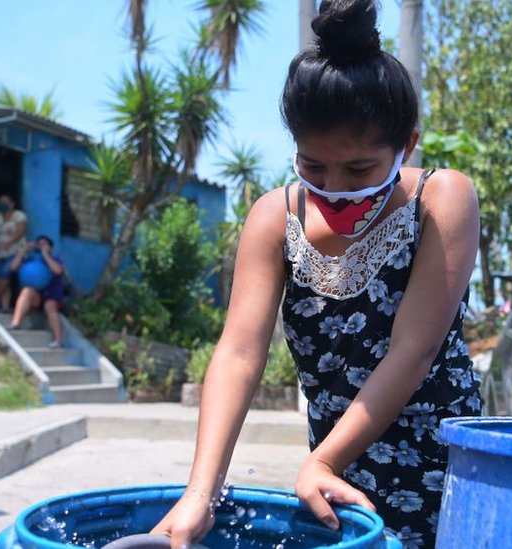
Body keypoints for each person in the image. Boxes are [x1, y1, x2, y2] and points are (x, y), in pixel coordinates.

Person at [152, 1, 482, 547]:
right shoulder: (274, 217)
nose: (334, 185)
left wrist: (324, 458)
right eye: (312, 165)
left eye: (358, 169)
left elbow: (413, 350)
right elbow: (238, 353)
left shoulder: (440, 199)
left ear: (407, 146)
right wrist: (199, 493)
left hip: (436, 463)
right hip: (332, 475)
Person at [8, 235, 65, 348]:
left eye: (44, 244)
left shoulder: (55, 259)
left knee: (49, 305)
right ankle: (15, 323)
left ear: (50, 248)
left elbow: (58, 271)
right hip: (36, 297)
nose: (41, 246)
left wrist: (45, 254)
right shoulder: (30, 259)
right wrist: (23, 250)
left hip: (51, 296)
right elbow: (12, 268)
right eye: (39, 244)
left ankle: (58, 340)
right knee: (26, 291)